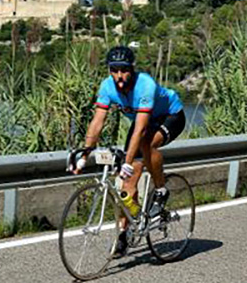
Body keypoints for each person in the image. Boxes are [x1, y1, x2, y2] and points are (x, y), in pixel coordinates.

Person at [70, 45, 186, 256]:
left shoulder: (145, 85)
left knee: (147, 144)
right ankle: (124, 233)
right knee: (127, 185)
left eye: (124, 70)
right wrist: (85, 153)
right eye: (114, 70)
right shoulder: (107, 86)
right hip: (143, 121)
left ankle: (161, 190)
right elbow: (97, 122)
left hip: (170, 115)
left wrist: (126, 162)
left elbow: (141, 129)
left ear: (132, 69)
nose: (119, 75)